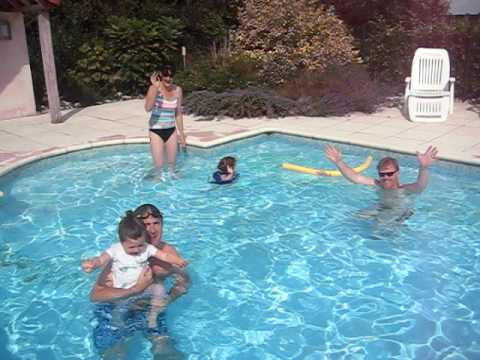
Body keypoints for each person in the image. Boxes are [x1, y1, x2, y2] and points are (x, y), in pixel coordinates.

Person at [90, 204, 190, 358]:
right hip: (116, 308)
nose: (152, 230)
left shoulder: (168, 253)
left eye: (156, 223)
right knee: (116, 352)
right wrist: (134, 290)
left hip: (150, 310)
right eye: (146, 225)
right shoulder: (121, 258)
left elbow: (184, 282)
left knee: (166, 349)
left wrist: (169, 299)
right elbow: (96, 295)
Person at [323, 144, 438, 192]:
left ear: (397, 173)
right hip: (380, 210)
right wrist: (339, 161)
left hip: (399, 215)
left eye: (389, 174)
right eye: (382, 174)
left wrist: (424, 168)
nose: (385, 177)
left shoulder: (404, 190)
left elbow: (420, 186)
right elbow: (354, 177)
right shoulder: (377, 184)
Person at [144, 65, 187, 169]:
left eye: (171, 76)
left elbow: (178, 113)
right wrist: (155, 88)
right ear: (161, 76)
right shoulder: (154, 88)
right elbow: (148, 108)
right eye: (166, 75)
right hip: (156, 131)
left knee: (172, 166)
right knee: (159, 167)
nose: (168, 78)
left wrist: (181, 135)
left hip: (171, 130)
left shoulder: (178, 90)